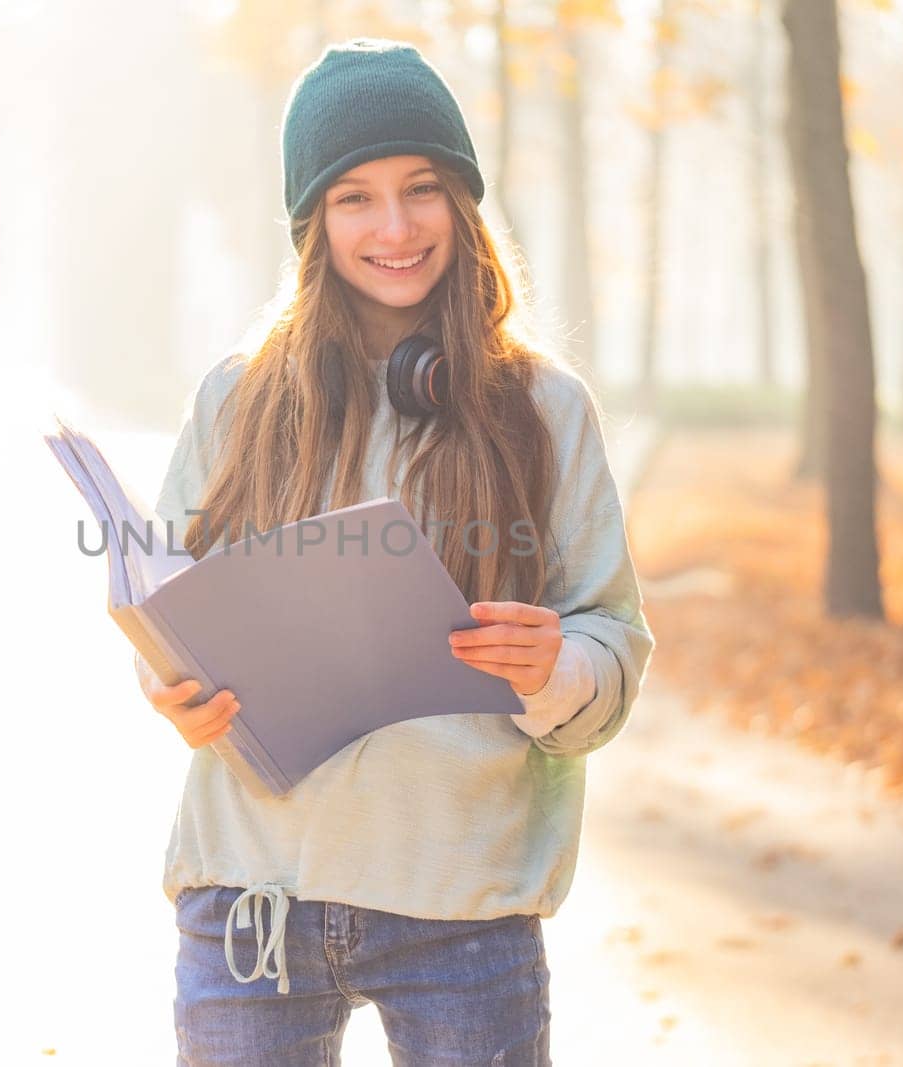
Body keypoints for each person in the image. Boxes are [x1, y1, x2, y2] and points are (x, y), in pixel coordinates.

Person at [136, 37, 655, 1067]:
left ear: (463, 205)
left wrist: (556, 664)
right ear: (312, 225)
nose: (394, 226)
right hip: (252, 901)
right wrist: (172, 689)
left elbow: (614, 643)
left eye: (421, 189)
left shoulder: (545, 409)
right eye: (353, 198)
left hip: (464, 905)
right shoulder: (234, 400)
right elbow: (169, 617)